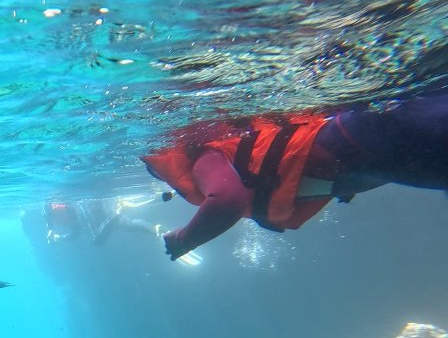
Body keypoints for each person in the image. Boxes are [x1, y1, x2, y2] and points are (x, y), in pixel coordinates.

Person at [142, 95, 448, 260]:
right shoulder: (231, 148)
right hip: (360, 140)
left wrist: (184, 240)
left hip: (357, 142)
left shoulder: (205, 158)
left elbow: (228, 202)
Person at [43, 196, 203, 264]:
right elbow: (75, 234)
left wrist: (114, 217)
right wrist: (58, 236)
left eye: (57, 220)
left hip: (109, 205)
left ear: (58, 208)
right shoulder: (72, 216)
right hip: (109, 213)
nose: (61, 224)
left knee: (131, 216)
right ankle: (160, 231)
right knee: (127, 222)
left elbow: (96, 238)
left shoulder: (78, 207)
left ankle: (167, 198)